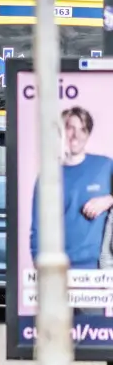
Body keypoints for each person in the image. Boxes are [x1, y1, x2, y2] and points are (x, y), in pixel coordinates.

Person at [31, 106, 113, 271]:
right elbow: (37, 229)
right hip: (59, 270)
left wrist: (109, 199)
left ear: (88, 134)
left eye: (83, 129)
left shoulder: (104, 166)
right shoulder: (47, 175)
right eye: (71, 128)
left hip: (98, 272)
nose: (76, 135)